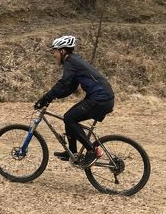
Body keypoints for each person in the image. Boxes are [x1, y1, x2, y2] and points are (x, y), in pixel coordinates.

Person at [34, 35, 115, 167]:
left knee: (70, 118)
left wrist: (44, 99)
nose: (54, 55)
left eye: (55, 51)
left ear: (63, 51)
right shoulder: (74, 61)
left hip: (100, 98)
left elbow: (63, 83)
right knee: (68, 117)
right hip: (101, 97)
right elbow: (70, 87)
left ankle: (92, 150)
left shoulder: (70, 62)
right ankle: (71, 152)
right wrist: (55, 97)